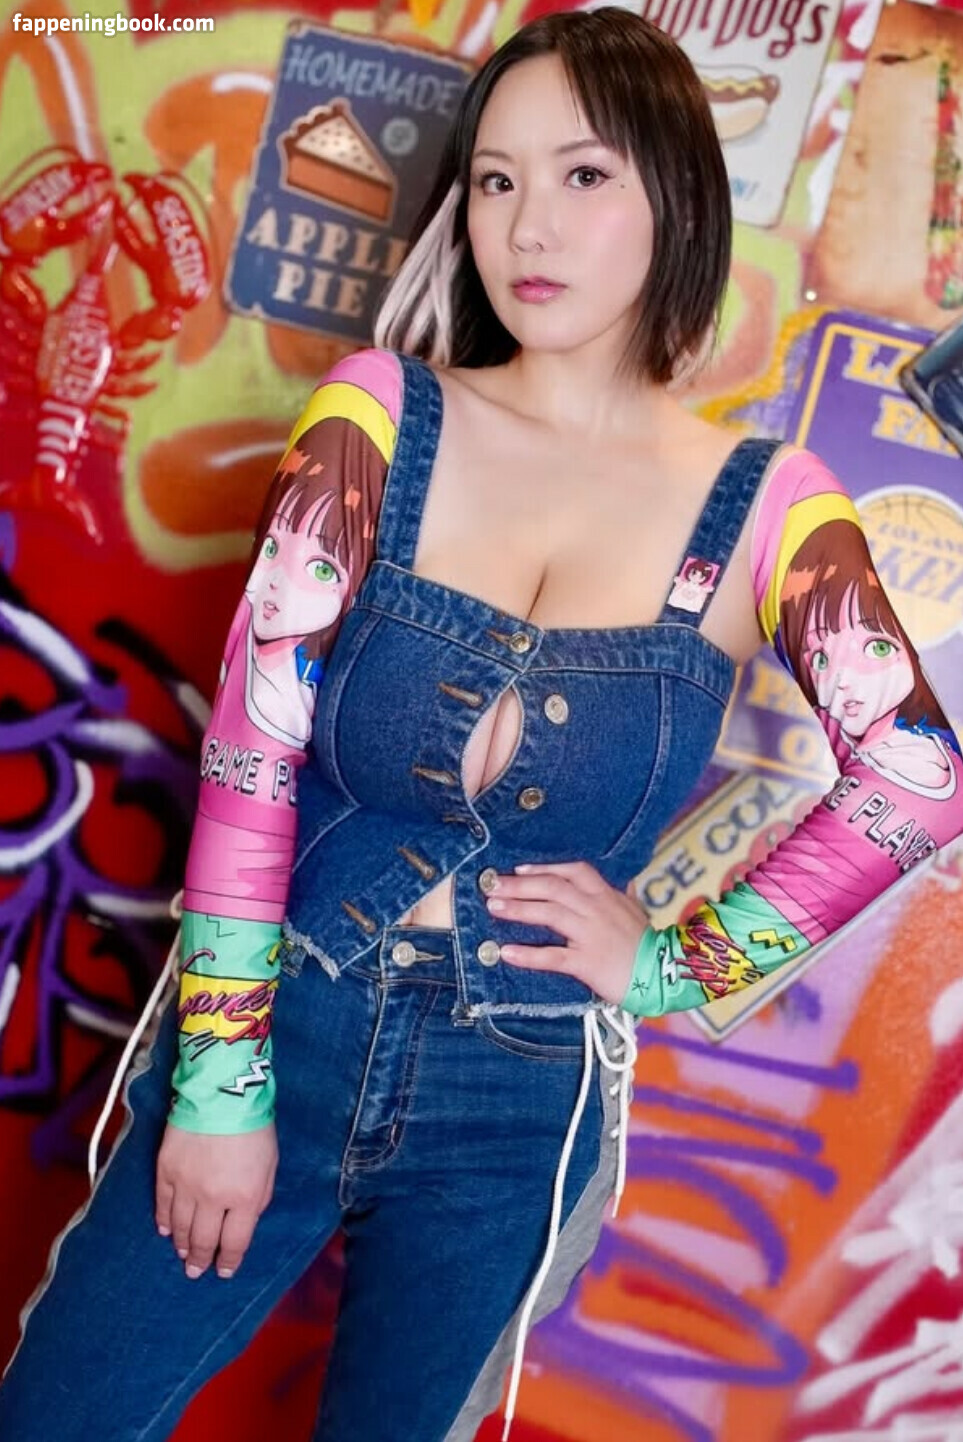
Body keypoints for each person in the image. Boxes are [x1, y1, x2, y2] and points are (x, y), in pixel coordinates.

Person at [2, 9, 962, 1441]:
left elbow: (917, 774)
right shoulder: (376, 418)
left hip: (519, 1099)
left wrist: (678, 963)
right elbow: (256, 751)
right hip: (285, 1018)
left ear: (676, 199)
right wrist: (220, 1081)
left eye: (584, 176)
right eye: (497, 179)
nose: (529, 225)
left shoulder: (771, 505)